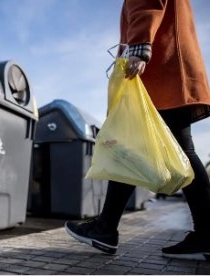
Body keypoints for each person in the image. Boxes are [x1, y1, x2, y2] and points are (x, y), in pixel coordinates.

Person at [65, 0, 210, 261]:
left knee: (164, 150)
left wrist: (140, 46)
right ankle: (106, 228)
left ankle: (107, 228)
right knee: (135, 149)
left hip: (163, 68)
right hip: (171, 65)